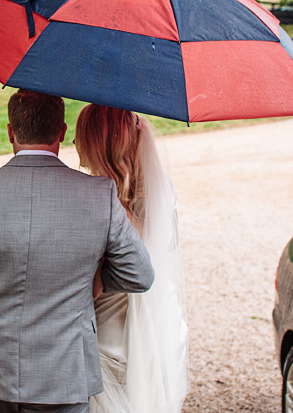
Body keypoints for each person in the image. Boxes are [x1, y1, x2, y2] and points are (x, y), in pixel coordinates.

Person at [0, 89, 155, 413]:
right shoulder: (99, 195)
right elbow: (140, 275)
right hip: (65, 370)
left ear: (11, 131)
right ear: (62, 132)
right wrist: (87, 287)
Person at [75, 104, 189, 413]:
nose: (74, 144)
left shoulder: (99, 205)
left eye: (80, 137)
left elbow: (92, 287)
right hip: (163, 323)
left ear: (97, 145)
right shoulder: (163, 193)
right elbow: (168, 251)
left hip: (114, 336)